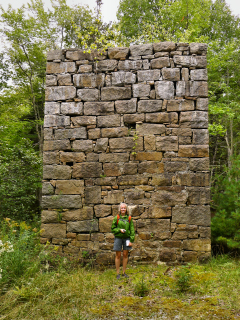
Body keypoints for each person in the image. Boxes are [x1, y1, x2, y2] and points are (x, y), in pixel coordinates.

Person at [111, 202, 135, 279]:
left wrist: (131, 240)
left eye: (124, 208)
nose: (123, 209)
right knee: (118, 255)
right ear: (120, 209)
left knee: (125, 254)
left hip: (127, 238)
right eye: (122, 208)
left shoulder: (129, 218)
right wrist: (119, 230)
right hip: (118, 238)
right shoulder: (116, 218)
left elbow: (132, 230)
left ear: (126, 209)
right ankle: (118, 273)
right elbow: (113, 229)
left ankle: (124, 272)